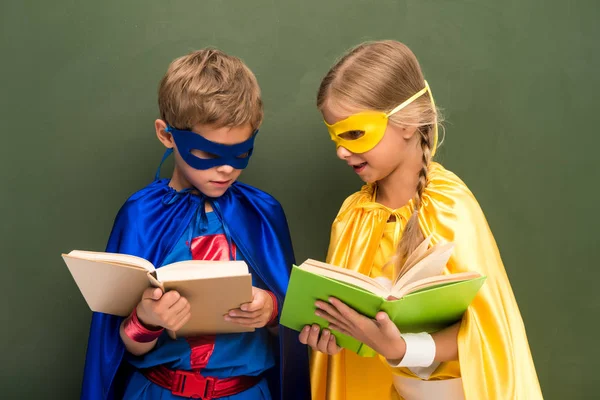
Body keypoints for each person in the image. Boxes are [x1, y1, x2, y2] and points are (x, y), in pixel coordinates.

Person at [300, 40, 543, 400]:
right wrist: (334, 336)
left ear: (408, 121)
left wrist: (402, 349)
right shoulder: (354, 215)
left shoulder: (448, 206)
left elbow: (484, 329)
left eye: (355, 133)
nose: (341, 150)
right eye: (335, 135)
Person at [81, 48, 310, 400]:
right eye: (206, 153)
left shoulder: (263, 213)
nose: (226, 169)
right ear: (167, 134)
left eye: (241, 153)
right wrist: (147, 318)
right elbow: (116, 347)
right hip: (157, 390)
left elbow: (295, 335)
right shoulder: (141, 215)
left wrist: (272, 310)